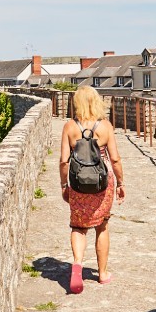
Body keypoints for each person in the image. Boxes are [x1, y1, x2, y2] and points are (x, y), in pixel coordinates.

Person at [60, 86, 125, 294]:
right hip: (102, 183)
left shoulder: (70, 127)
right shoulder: (105, 126)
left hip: (78, 183)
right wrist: (121, 184)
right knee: (102, 225)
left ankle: (78, 264)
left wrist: (64, 186)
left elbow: (63, 161)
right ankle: (102, 273)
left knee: (78, 227)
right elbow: (114, 159)